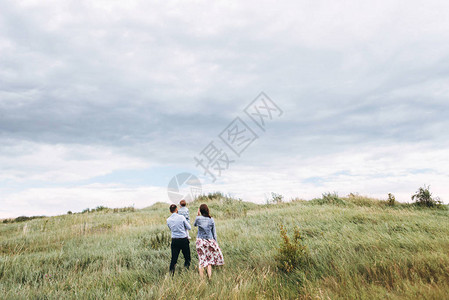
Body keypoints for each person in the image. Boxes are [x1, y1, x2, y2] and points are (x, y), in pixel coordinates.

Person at [194, 204, 224, 279]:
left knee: (201, 260)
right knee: (209, 260)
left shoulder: (198, 219)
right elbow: (214, 233)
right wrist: (215, 243)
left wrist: (197, 215)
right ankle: (209, 278)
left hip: (200, 241)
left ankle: (202, 279)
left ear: (200, 211)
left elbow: (194, 225)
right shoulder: (211, 219)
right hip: (209, 241)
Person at [166, 204, 191, 275]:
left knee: (174, 259)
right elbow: (189, 227)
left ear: (170, 211)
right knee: (187, 258)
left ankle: (171, 275)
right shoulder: (182, 217)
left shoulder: (168, 220)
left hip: (174, 240)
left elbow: (170, 229)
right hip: (183, 240)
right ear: (176, 209)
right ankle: (186, 272)